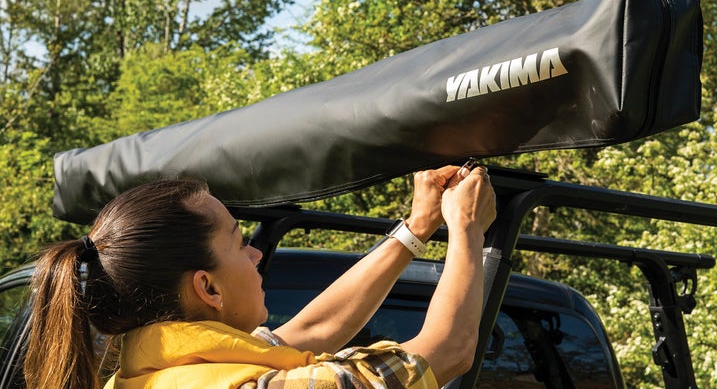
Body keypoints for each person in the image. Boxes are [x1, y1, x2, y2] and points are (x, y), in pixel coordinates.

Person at [24, 164, 496, 389]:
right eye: (237, 241)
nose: (254, 255)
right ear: (206, 287)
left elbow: (310, 331)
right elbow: (448, 350)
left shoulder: (149, 375)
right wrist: (467, 228)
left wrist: (415, 229)